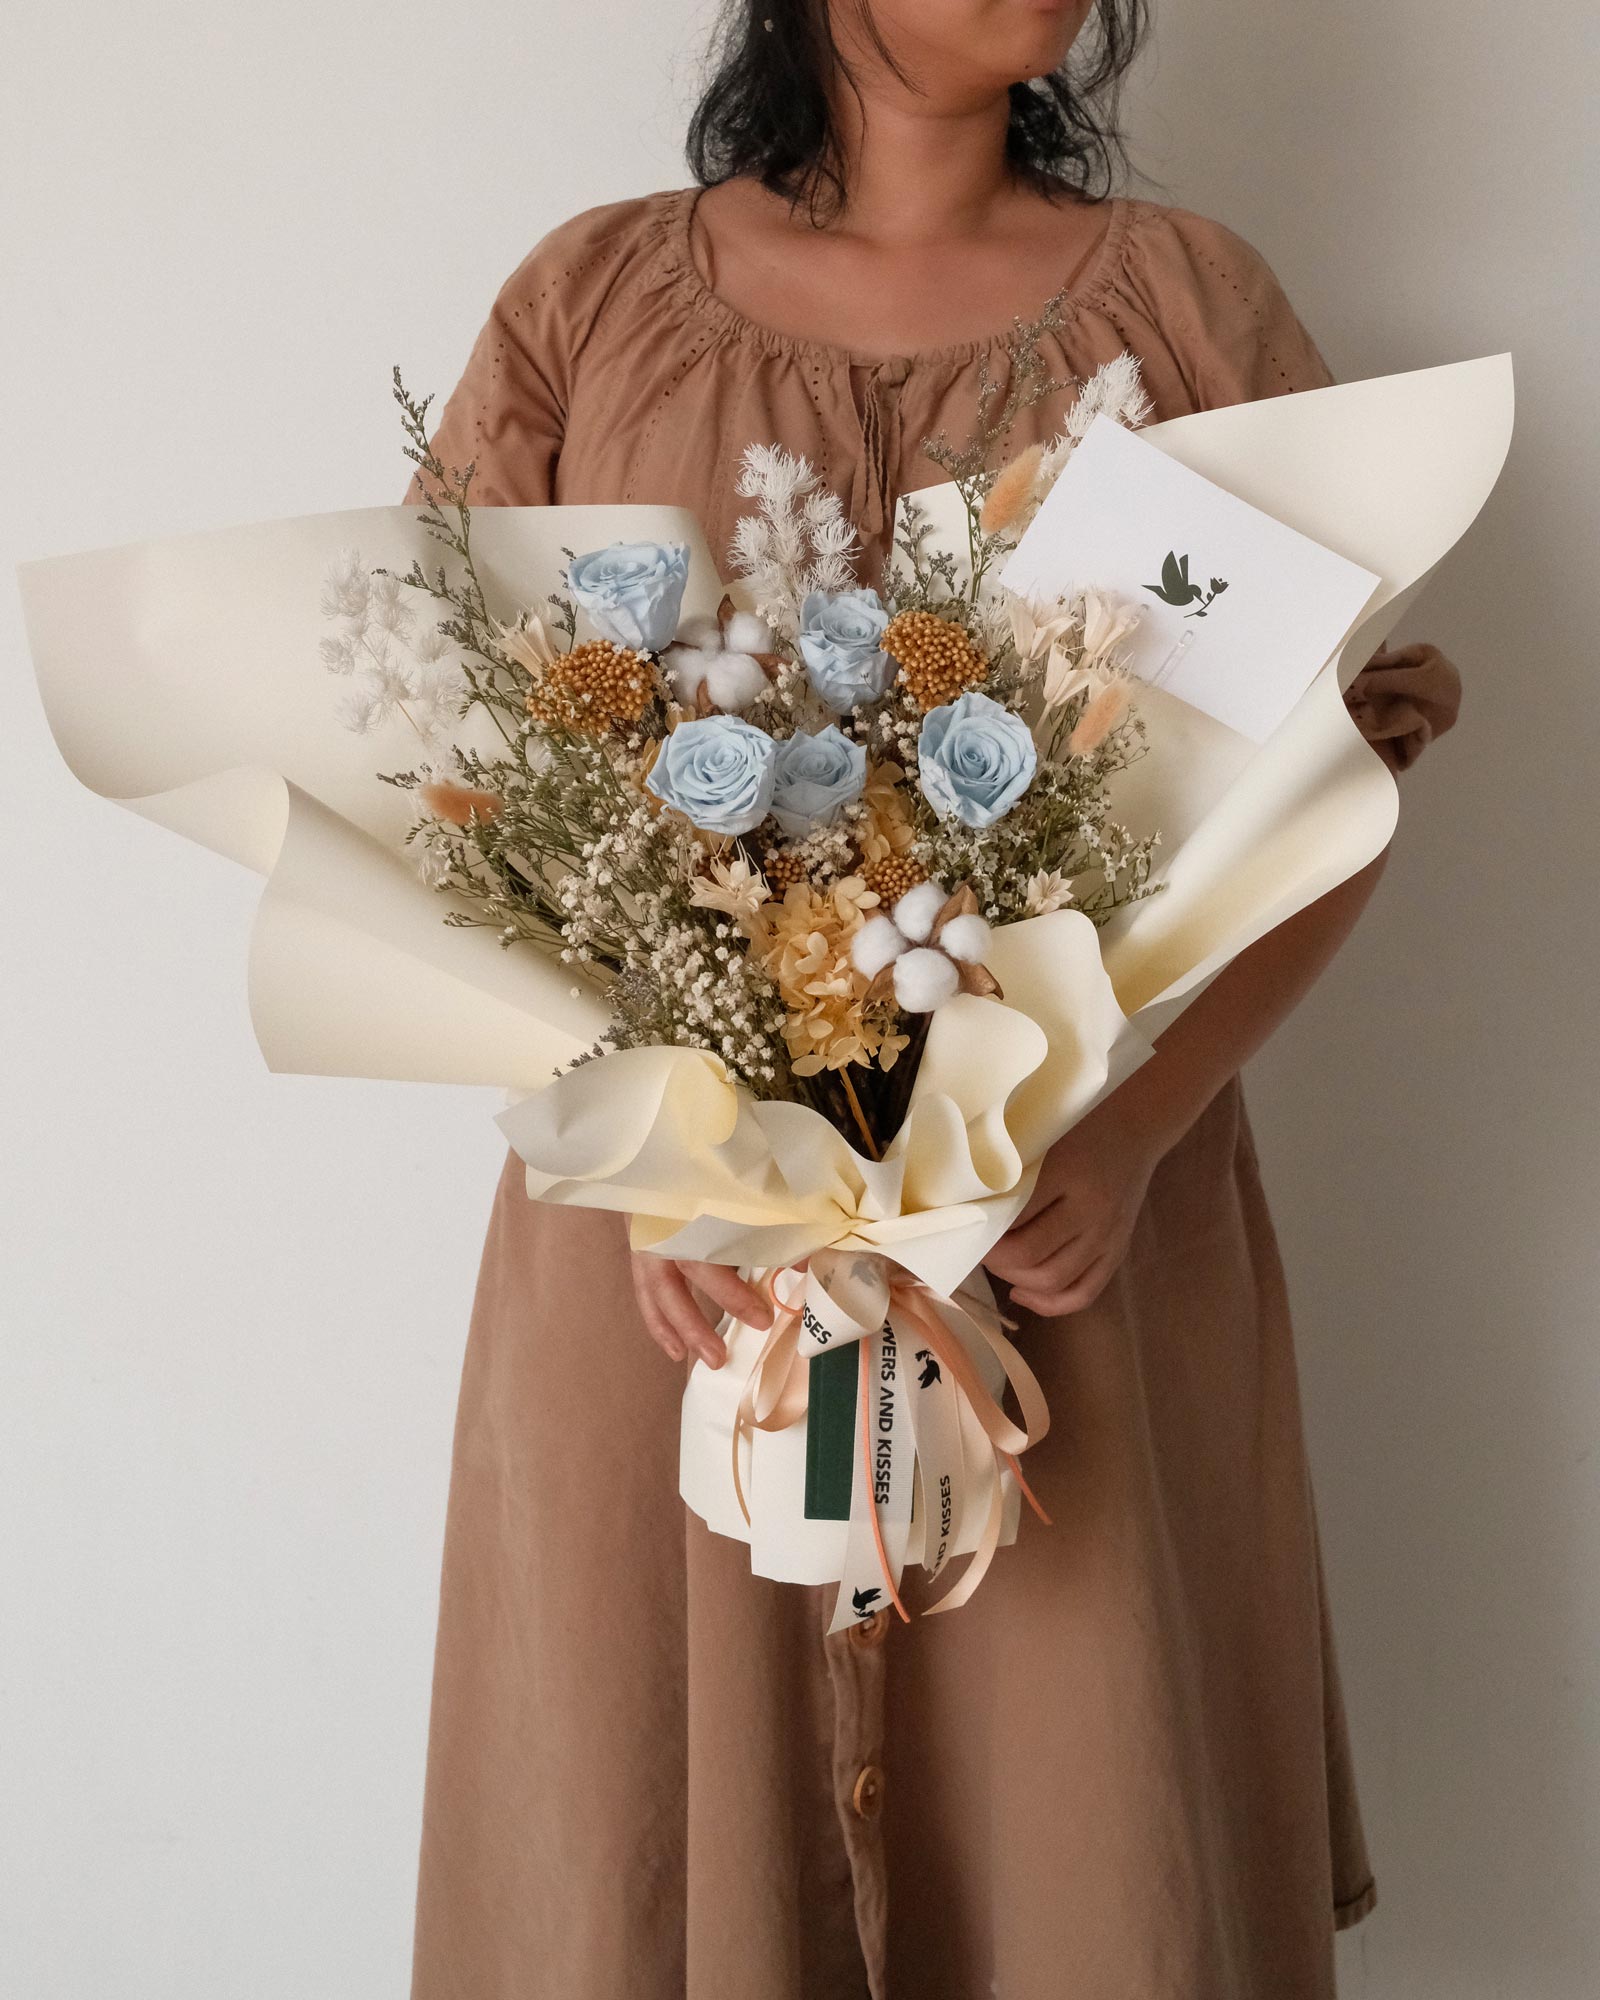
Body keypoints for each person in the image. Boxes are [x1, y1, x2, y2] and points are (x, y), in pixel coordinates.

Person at [403, 4, 1462, 1995]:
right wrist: (647, 1156)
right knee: (667, 1853)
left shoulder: (1191, 310)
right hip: (677, 1288)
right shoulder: (589, 306)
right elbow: (443, 783)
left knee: (1085, 1864)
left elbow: (1337, 788)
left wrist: (1136, 1133)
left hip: (1070, 1252)